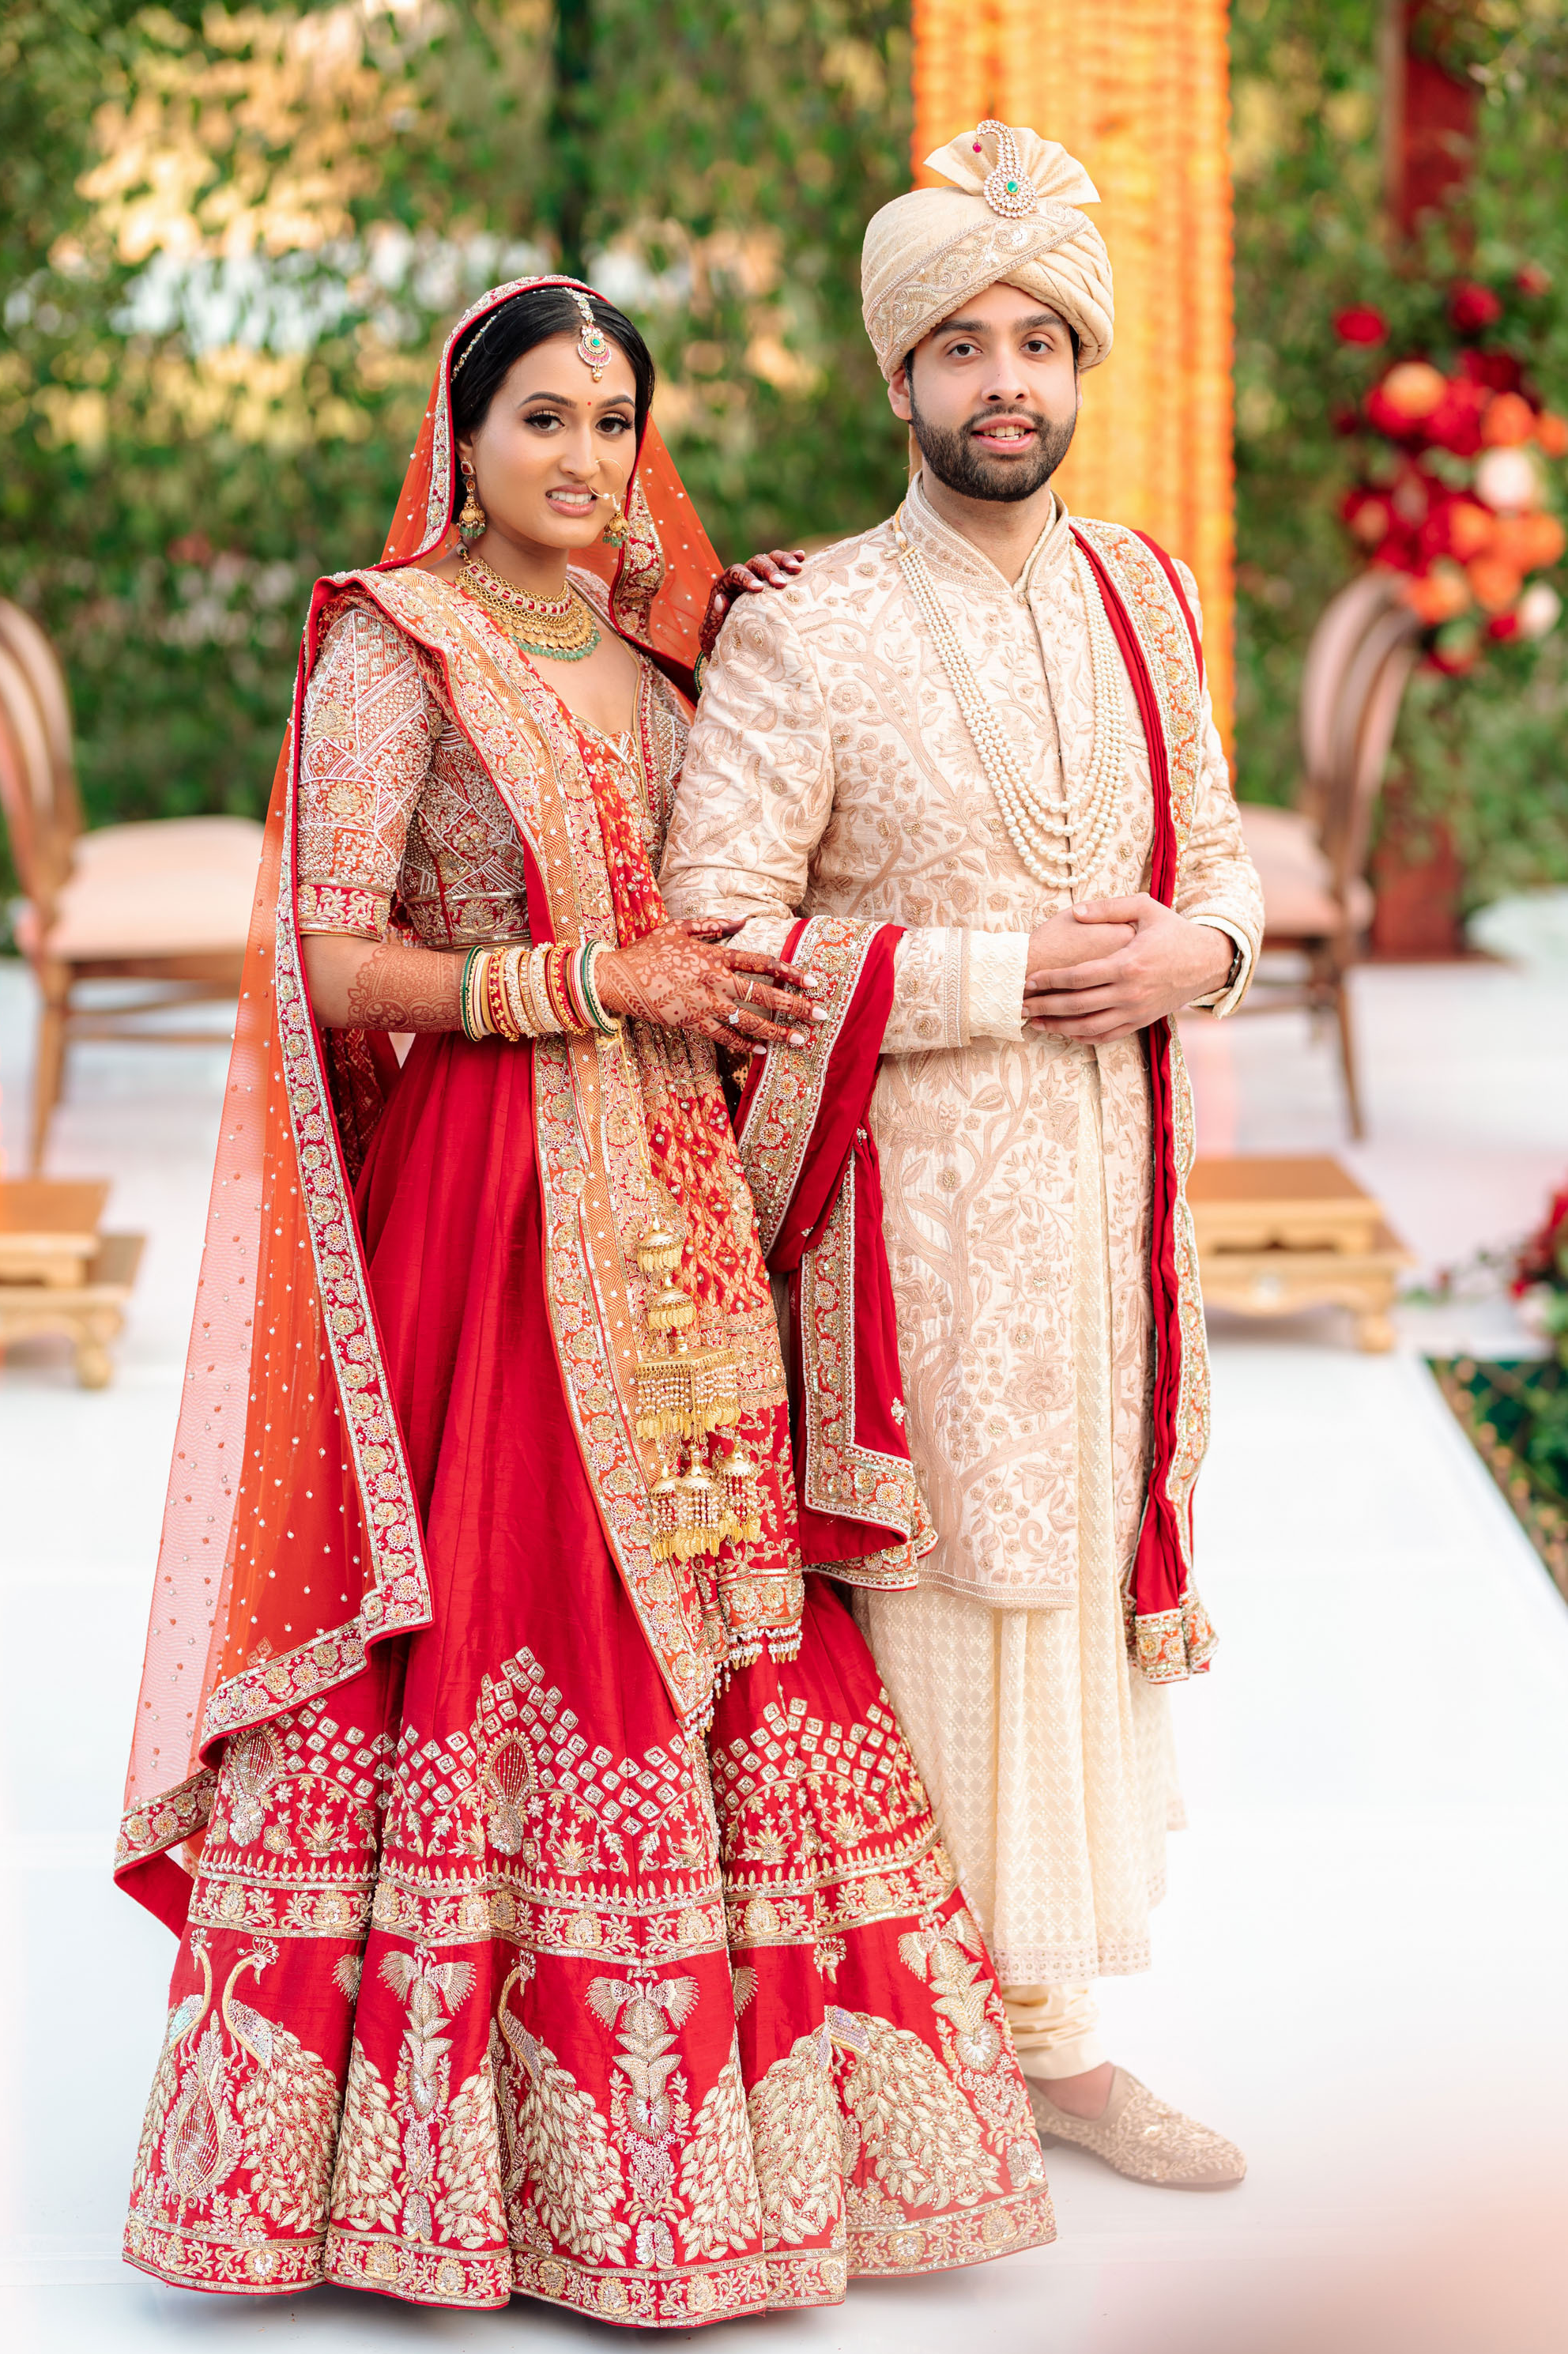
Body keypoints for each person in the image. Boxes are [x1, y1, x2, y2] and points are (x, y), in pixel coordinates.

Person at [113, 276, 1054, 2326]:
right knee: (526, 1613)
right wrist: (579, 986)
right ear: (456, 437)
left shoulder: (661, 661)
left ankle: (747, 2156)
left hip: (674, 1204)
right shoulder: (397, 644)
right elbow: (327, 958)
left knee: (725, 1615)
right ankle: (449, 2185)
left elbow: (743, 862)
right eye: (542, 418)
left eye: (615, 421)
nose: (584, 458)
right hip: (494, 1197)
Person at [659, 124, 1263, 2190]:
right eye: (961, 349)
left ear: (1073, 372)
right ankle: (882, 2050)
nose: (1006, 382)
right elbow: (714, 934)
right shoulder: (803, 627)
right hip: (899, 1221)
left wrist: (1202, 947)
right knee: (935, 1605)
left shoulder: (1140, 596)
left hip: (1104, 1212)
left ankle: (1050, 2044)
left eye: (1038, 345)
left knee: (1069, 1600)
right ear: (895, 379)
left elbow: (1226, 866)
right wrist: (994, 977)